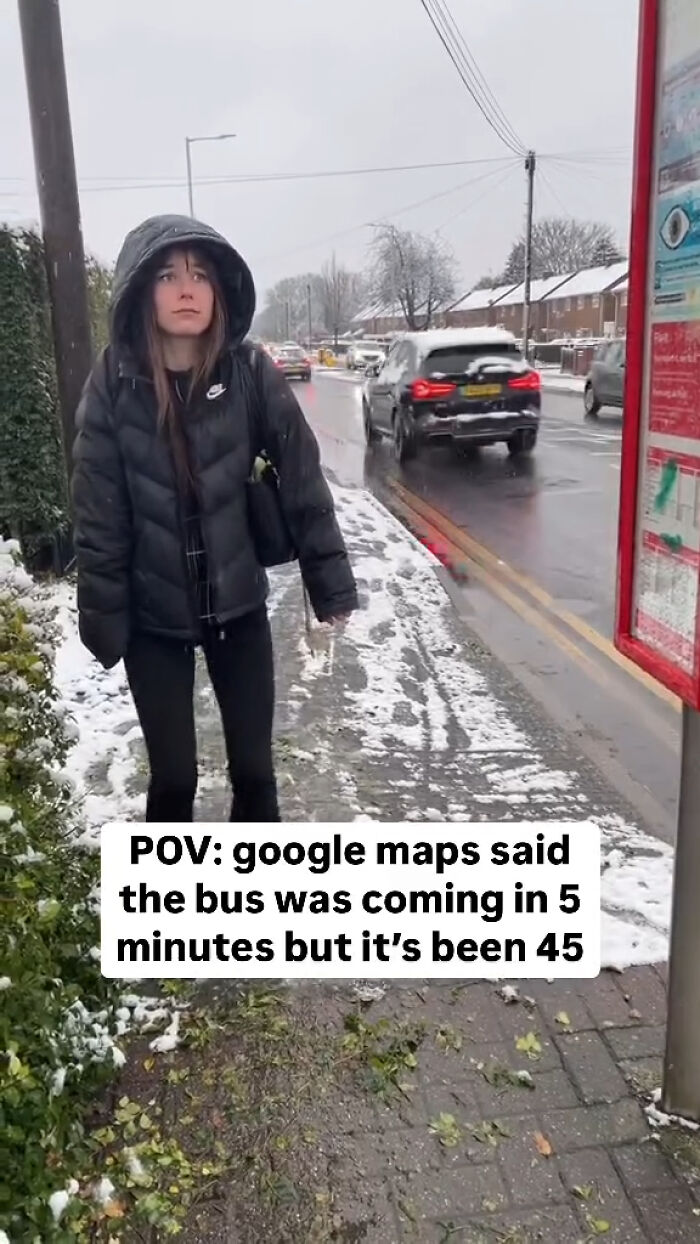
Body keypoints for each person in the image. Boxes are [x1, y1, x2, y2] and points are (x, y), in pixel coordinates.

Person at [72, 214, 358, 823]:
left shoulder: (250, 372)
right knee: (173, 780)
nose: (186, 288)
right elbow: (98, 511)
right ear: (142, 290)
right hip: (154, 620)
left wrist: (329, 582)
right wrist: (103, 617)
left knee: (255, 774)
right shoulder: (112, 383)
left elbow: (304, 480)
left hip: (239, 610)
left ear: (217, 290)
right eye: (169, 275)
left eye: (199, 274)